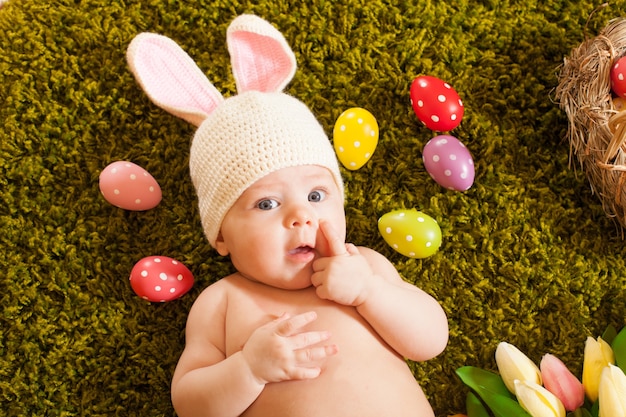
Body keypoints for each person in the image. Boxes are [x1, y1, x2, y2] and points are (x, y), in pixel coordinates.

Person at [127, 14, 449, 417]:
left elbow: (431, 340)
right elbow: (191, 404)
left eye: (316, 194)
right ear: (221, 237)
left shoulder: (363, 265)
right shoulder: (223, 302)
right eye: (266, 204)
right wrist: (249, 368)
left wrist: (370, 292)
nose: (301, 216)